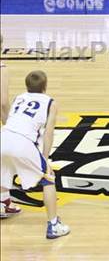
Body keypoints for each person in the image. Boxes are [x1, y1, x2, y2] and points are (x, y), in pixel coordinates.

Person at [0, 70, 70, 237]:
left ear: (26, 85)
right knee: (48, 179)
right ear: (45, 86)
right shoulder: (50, 102)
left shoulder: (19, 97)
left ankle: (3, 205)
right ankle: (54, 225)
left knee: (3, 170)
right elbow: (48, 134)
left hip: (3, 136)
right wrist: (45, 160)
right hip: (23, 142)